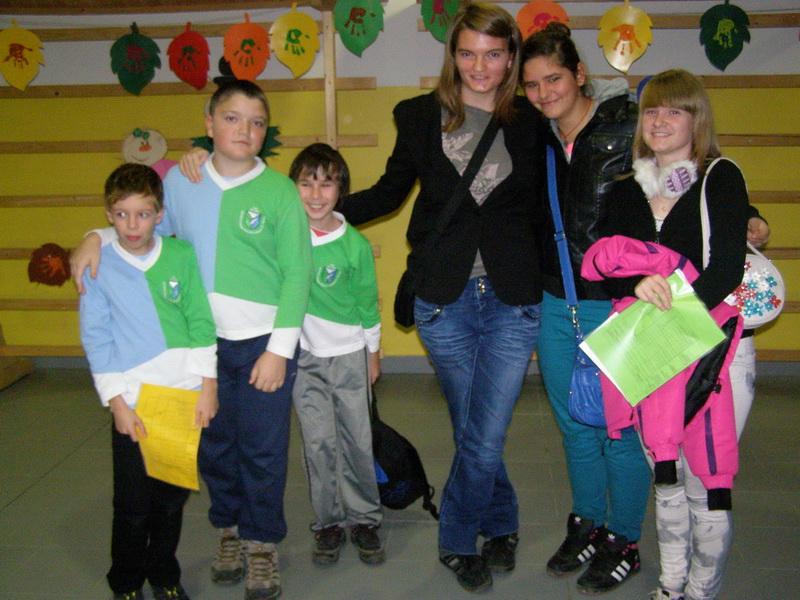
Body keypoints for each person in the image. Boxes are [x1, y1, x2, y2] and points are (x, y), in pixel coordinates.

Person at [72, 80, 312, 600]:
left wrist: (279, 350)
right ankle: (228, 529)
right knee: (215, 446)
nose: (244, 130)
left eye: (256, 122)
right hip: (199, 349)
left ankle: (262, 542)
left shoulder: (280, 193)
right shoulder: (182, 181)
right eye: (231, 118)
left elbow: (298, 273)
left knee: (264, 448)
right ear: (208, 124)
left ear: (266, 131)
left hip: (263, 345)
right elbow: (143, 231)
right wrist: (96, 236)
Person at [341, 3, 544, 593]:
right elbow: (388, 192)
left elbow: (550, 205)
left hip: (512, 298)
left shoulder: (532, 122)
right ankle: (500, 522)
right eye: (468, 53)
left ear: (511, 58)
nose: (480, 67)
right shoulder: (418, 116)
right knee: (474, 429)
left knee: (484, 432)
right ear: (452, 55)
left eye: (493, 54)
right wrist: (319, 212)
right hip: (443, 299)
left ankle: (456, 539)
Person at [597, 69, 754, 600]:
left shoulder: (720, 178)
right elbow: (606, 265)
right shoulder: (625, 189)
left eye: (674, 110)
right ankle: (669, 585)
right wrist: (633, 283)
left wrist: (671, 320)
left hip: (714, 350)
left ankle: (701, 589)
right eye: (652, 111)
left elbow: (726, 268)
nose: (660, 121)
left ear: (696, 119)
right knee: (664, 475)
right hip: (649, 351)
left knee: (706, 480)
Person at [519, 22, 651, 594]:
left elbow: (688, 171)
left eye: (554, 79)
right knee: (575, 425)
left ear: (579, 74)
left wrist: (742, 213)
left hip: (619, 305)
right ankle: (589, 523)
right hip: (557, 304)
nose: (544, 93)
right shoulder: (535, 138)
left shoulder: (628, 126)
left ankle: (625, 538)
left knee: (619, 432)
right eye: (531, 85)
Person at [79, 163, 218, 600]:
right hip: (135, 405)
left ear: (160, 214)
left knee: (171, 500)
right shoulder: (98, 266)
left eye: (143, 214)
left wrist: (208, 387)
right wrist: (117, 403)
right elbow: (97, 339)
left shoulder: (180, 256)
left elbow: (200, 321)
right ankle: (125, 581)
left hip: (183, 400)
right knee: (133, 505)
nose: (132, 225)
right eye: (121, 215)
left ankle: (163, 574)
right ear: (108, 215)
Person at [287, 143, 385, 565]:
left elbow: (367, 303)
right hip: (302, 360)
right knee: (317, 443)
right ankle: (328, 522)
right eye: (306, 183)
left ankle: (364, 518)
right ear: (293, 188)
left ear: (340, 189)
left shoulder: (354, 245)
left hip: (350, 356)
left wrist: (373, 353)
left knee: (357, 440)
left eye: (326, 184)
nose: (315, 194)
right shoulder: (284, 240)